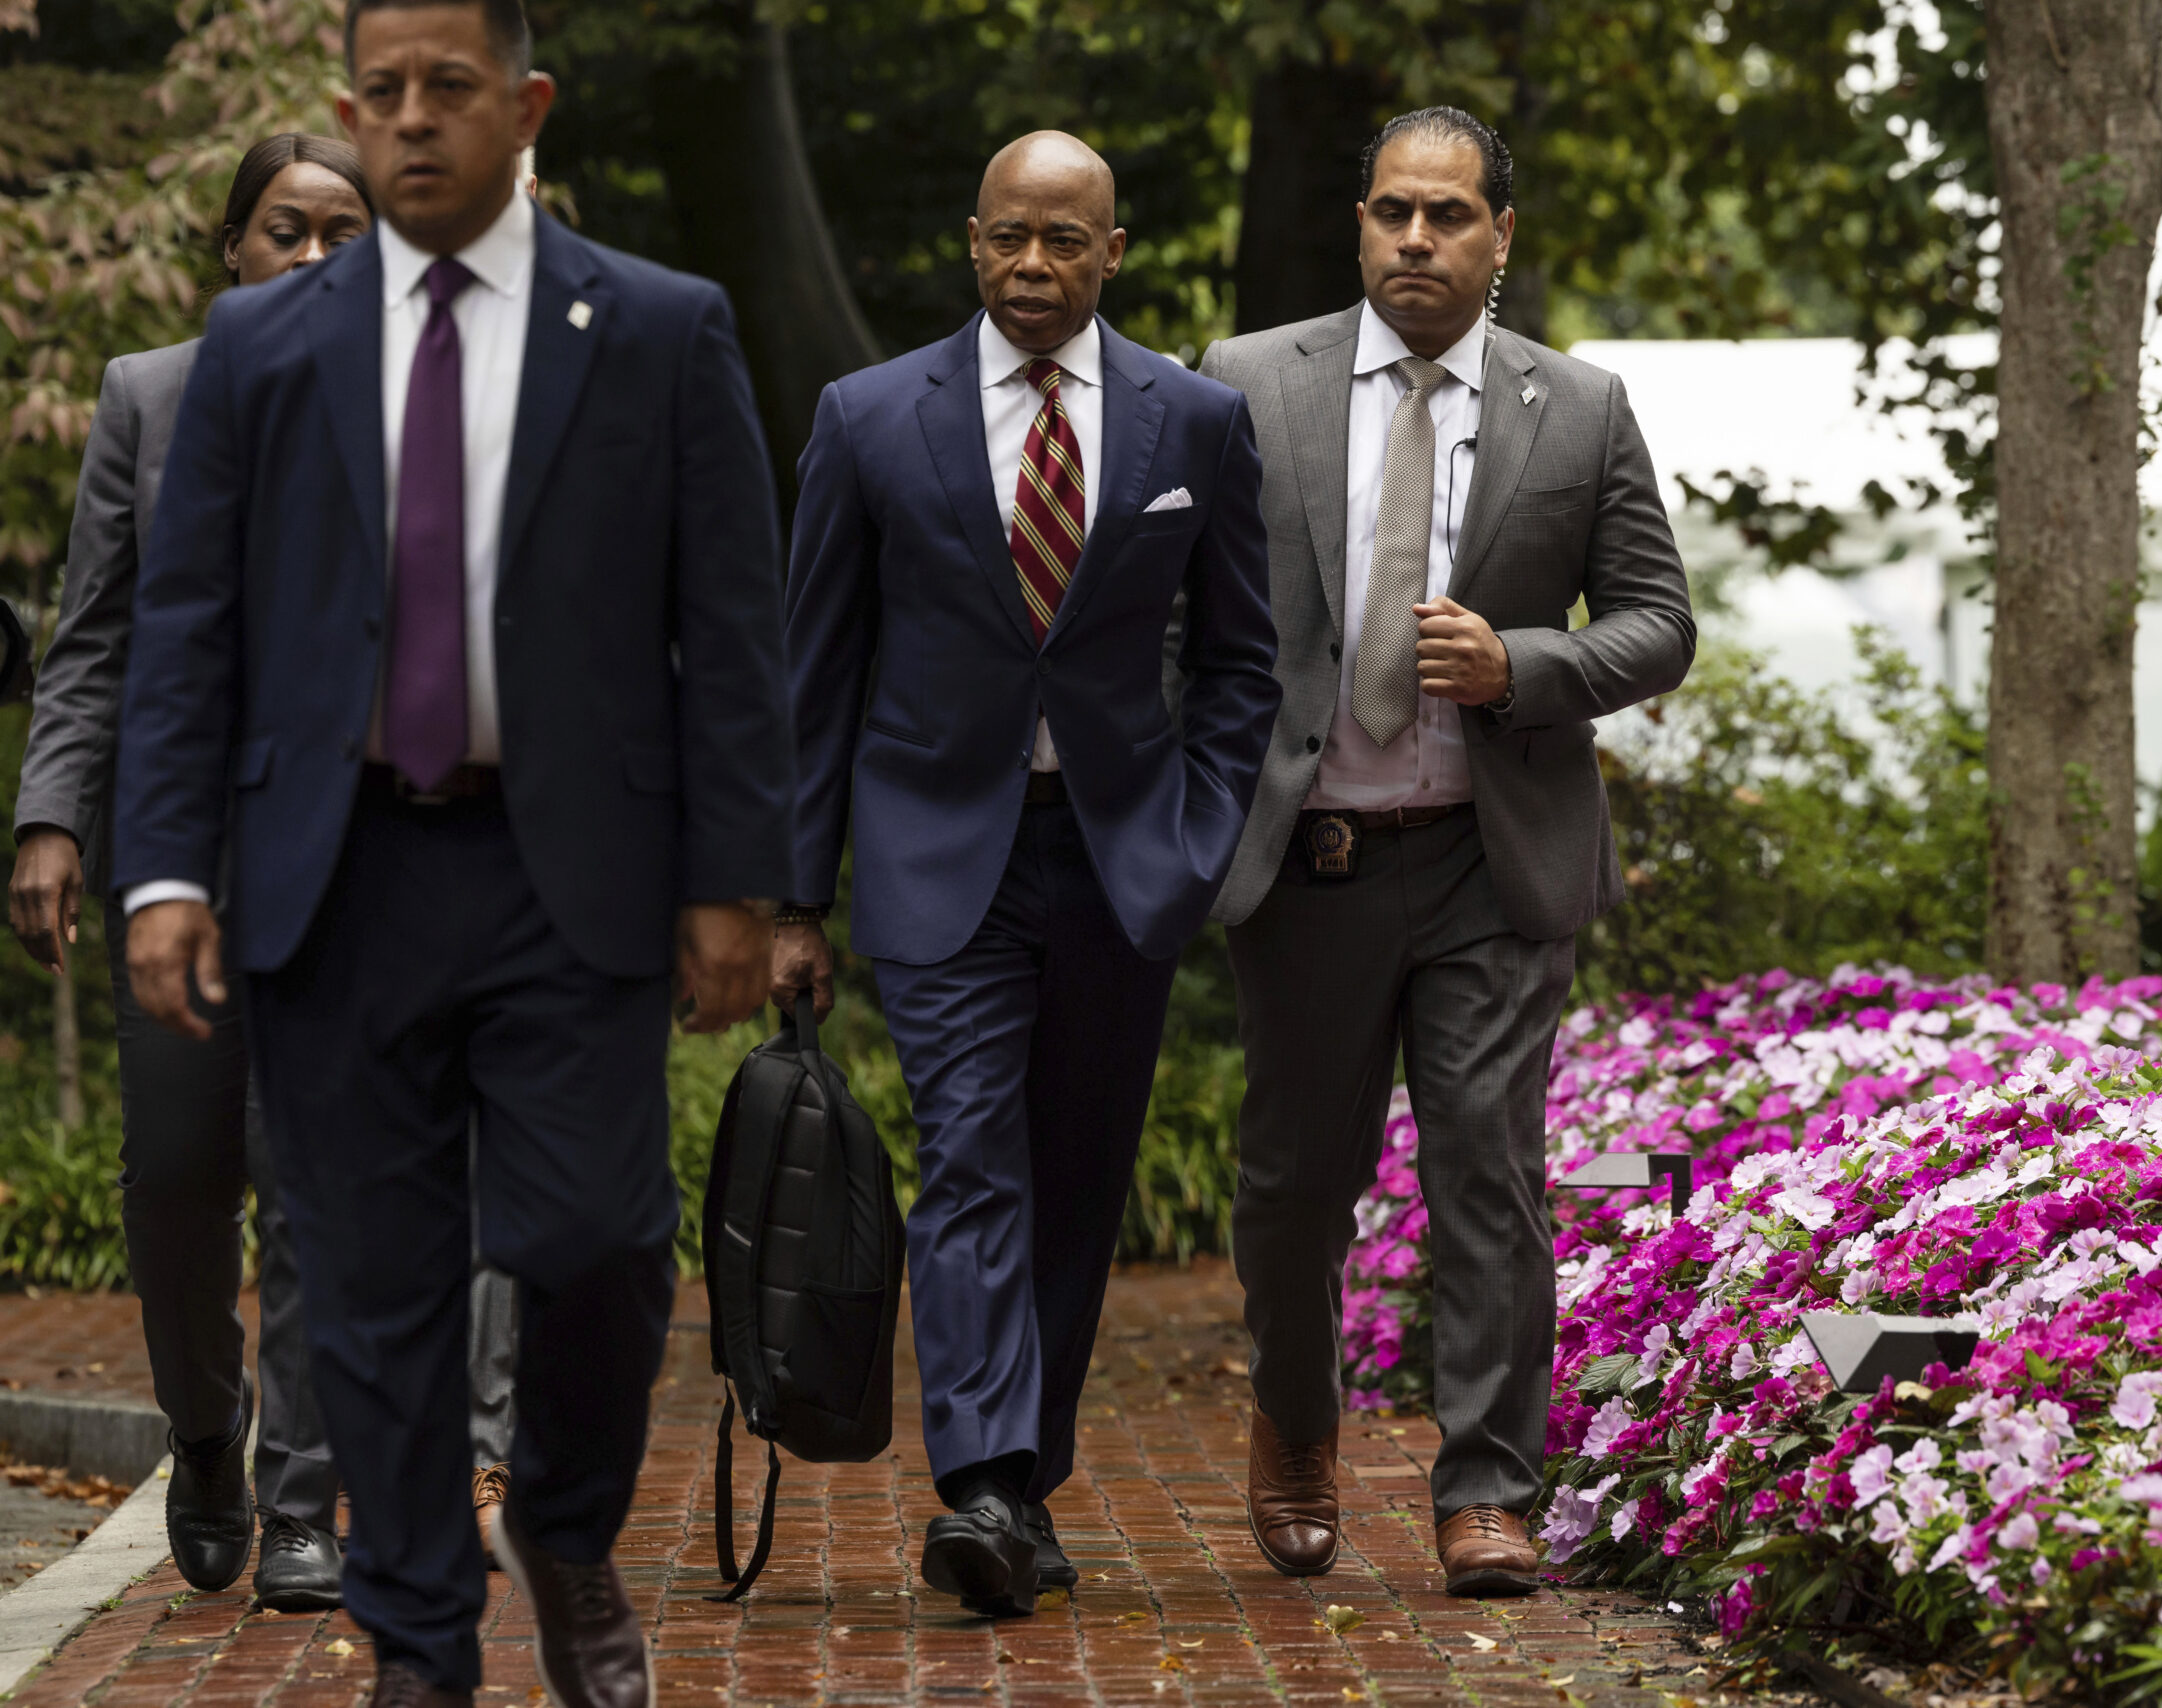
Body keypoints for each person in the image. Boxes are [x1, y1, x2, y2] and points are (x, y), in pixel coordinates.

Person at [111, 0, 792, 1701]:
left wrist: (741, 878)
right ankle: (421, 1641)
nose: (411, 121)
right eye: (384, 92)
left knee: (595, 1245)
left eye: (451, 90)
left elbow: (732, 625)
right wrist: (167, 869)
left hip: (573, 877)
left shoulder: (654, 328)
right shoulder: (261, 348)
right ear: (354, 102)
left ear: (526, 104)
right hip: (333, 879)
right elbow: (186, 624)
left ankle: (561, 1529)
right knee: (375, 1292)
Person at [772, 131, 1278, 1618]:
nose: (1034, 267)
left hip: (1122, 859)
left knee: (1075, 1183)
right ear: (971, 242)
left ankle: (1026, 1486)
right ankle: (983, 1477)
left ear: (1113, 249)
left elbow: (1243, 662)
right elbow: (818, 674)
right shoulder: (869, 419)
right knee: (976, 1158)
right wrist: (798, 897)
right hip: (939, 858)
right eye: (1009, 239)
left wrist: (1194, 837)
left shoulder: (1194, 423)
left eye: (1065, 241)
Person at [1197, 107, 1696, 1596]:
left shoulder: (1582, 407)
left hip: (1492, 858)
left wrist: (1522, 665)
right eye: (1395, 213)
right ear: (1359, 222)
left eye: (1451, 216)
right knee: (1293, 1185)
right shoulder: (1244, 387)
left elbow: (1659, 622)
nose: (1419, 239)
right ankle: (1294, 1427)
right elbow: (1189, 623)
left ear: (1501, 237)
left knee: (1490, 1170)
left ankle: (1487, 1490)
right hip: (1311, 860)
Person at [8, 133, 372, 1614]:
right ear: (232, 245)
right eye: (285, 228)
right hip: (182, 847)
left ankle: (301, 1499)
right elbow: (91, 639)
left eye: (345, 233)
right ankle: (208, 1433)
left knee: (314, 1181)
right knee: (175, 1180)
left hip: (355, 848)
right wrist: (52, 821)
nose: (313, 256)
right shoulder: (148, 397)